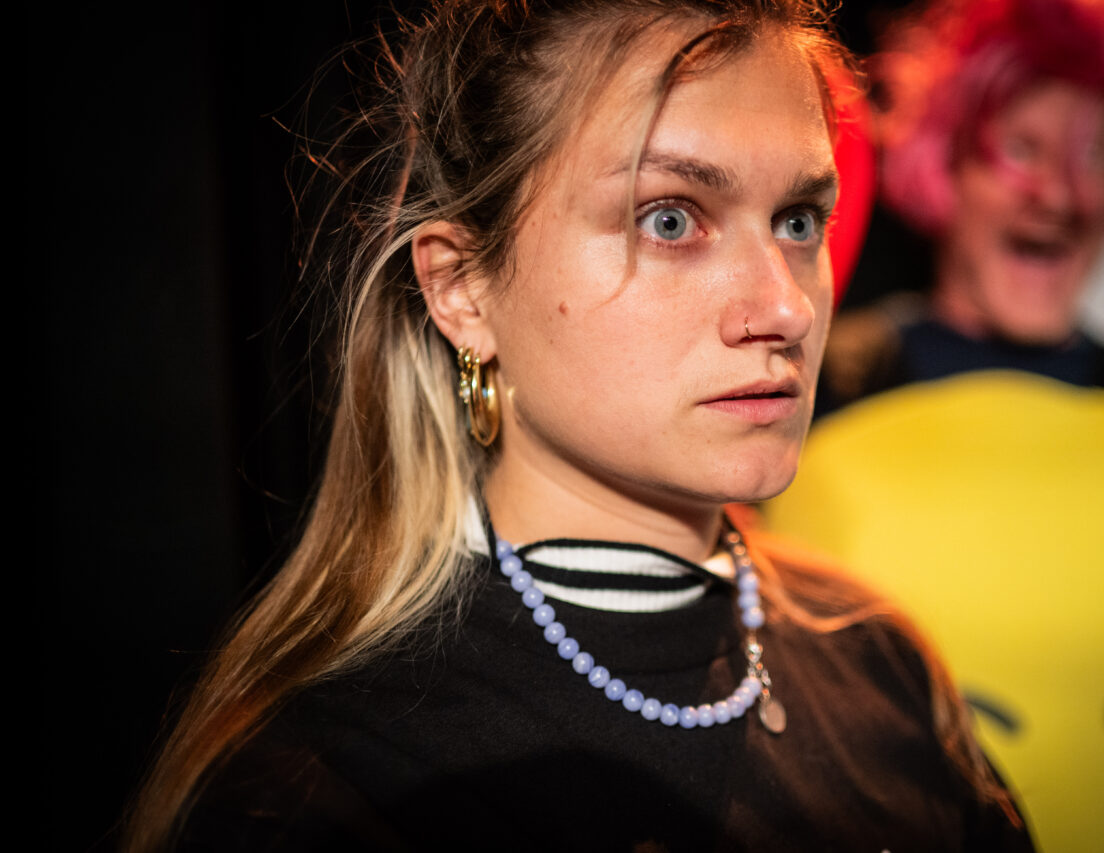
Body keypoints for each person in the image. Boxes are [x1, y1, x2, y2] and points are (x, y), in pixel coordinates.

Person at [124, 2, 1034, 850]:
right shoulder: (331, 781)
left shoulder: (882, 660)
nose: (786, 307)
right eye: (669, 219)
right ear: (461, 288)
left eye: (798, 220)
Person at [767, 0, 1104, 850]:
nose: (1059, 193)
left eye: (1094, 156)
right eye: (1021, 149)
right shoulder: (809, 389)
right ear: (946, 162)